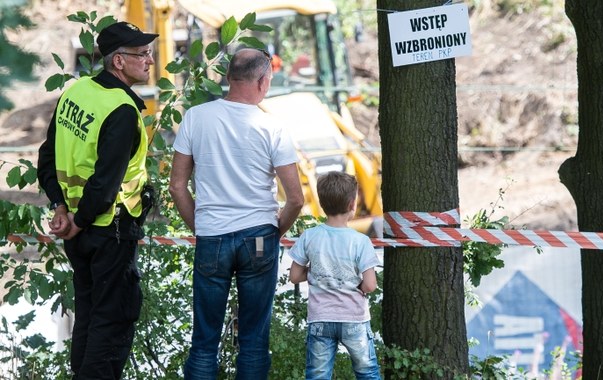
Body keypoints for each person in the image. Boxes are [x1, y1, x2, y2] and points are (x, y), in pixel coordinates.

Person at [168, 48, 304, 379]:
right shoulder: (272, 127)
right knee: (254, 342)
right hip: (258, 239)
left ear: (228, 78)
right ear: (263, 81)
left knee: (203, 343)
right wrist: (273, 235)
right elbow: (296, 199)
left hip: (212, 238)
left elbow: (176, 187)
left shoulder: (195, 117)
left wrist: (202, 226)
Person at [37, 21, 158, 379]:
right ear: (118, 61)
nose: (150, 60)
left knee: (88, 320)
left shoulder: (76, 93)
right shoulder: (121, 110)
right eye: (143, 54)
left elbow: (47, 157)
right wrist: (79, 219)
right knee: (111, 324)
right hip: (110, 231)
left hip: (80, 232)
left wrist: (62, 207)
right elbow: (106, 185)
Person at [289, 171, 382, 380]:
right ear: (352, 204)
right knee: (367, 372)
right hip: (354, 320)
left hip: (320, 318)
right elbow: (370, 285)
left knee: (318, 375)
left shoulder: (309, 236)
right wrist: (358, 287)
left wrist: (315, 272)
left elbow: (294, 276)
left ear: (322, 204)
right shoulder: (360, 242)